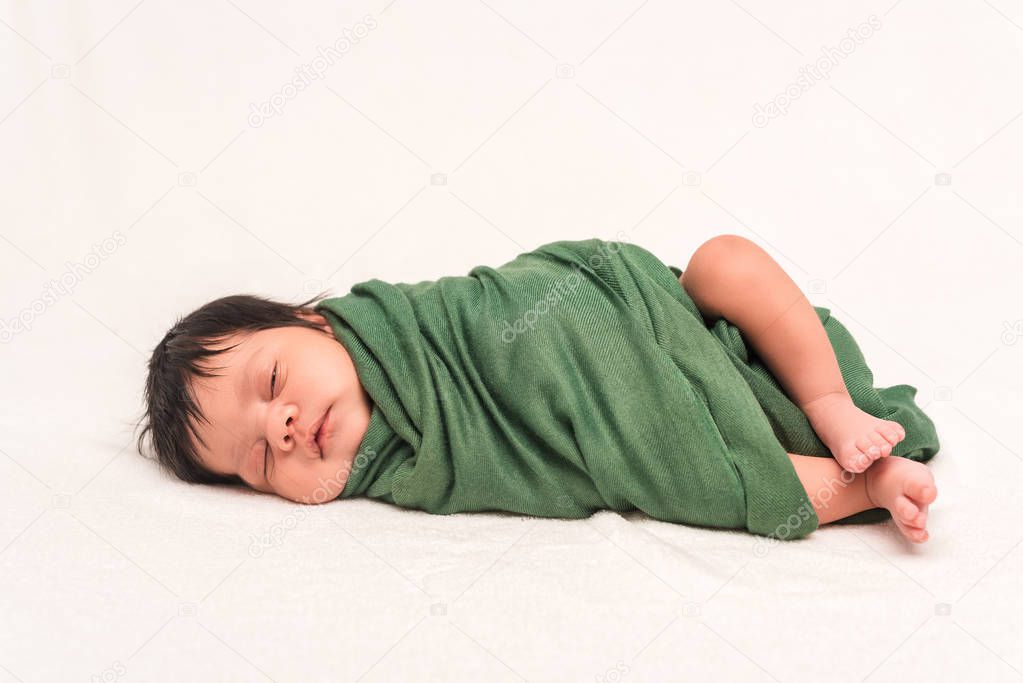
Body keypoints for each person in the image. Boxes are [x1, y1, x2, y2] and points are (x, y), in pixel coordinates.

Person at [135, 235, 938, 543]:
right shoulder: (418, 467)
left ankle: (830, 402)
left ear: (316, 321)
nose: (278, 426)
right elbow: (529, 457)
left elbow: (533, 300)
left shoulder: (418, 323)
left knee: (724, 261)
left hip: (647, 307)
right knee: (686, 469)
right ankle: (870, 478)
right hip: (636, 415)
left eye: (271, 381)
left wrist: (595, 312)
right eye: (255, 460)